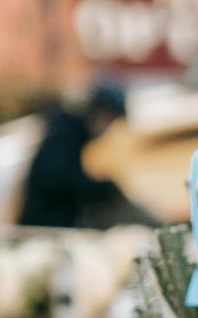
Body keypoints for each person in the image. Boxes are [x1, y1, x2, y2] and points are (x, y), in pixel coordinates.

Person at [18, 81, 149, 229]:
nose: (107, 129)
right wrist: (103, 188)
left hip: (56, 219)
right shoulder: (65, 133)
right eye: (110, 121)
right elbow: (60, 178)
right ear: (100, 113)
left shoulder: (74, 132)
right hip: (44, 222)